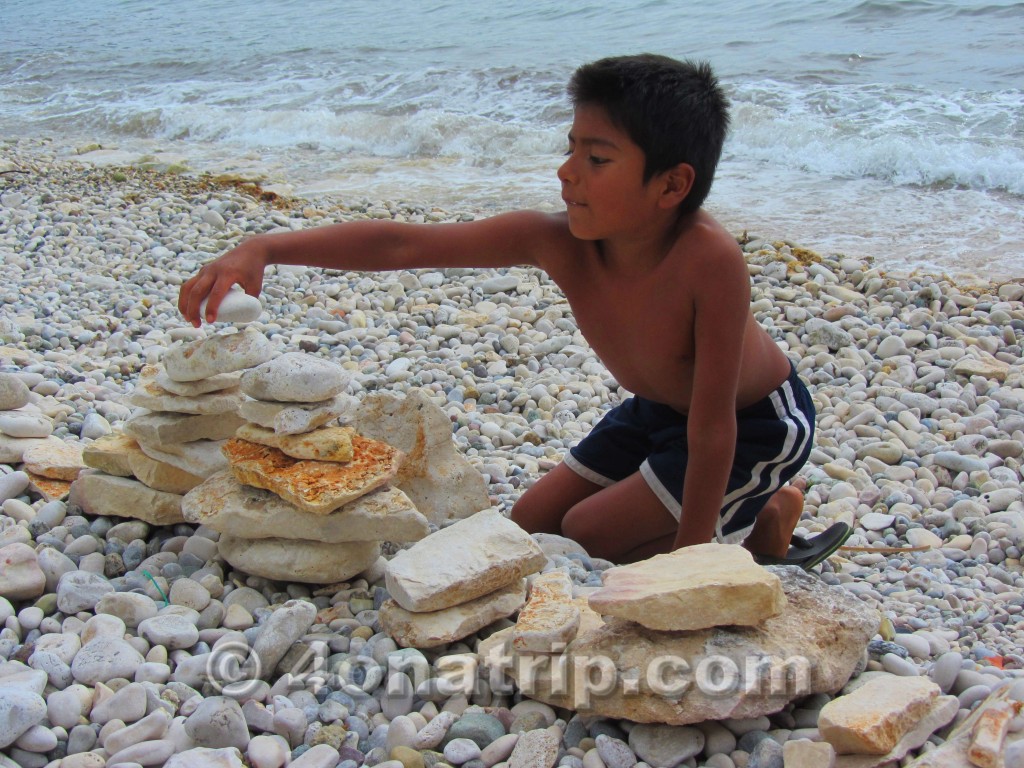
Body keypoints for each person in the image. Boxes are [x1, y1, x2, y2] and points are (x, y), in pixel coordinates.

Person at [179, 54, 849, 567]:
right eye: (570, 147)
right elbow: (407, 244)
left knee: (589, 536)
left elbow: (713, 432)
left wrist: (694, 569)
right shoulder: (557, 242)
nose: (567, 172)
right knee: (529, 523)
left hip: (751, 424)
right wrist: (266, 246)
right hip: (657, 411)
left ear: (672, 184)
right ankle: (761, 516)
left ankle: (758, 526)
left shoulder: (708, 260)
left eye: (597, 157)